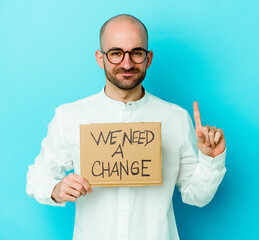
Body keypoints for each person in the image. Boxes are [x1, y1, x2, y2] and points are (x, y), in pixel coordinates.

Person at [26, 14, 226, 240]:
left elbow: (197, 196)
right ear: (100, 58)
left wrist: (211, 159)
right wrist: (55, 190)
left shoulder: (176, 118)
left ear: (148, 58)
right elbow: (37, 177)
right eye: (116, 53)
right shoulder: (69, 117)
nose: (127, 63)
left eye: (136, 53)